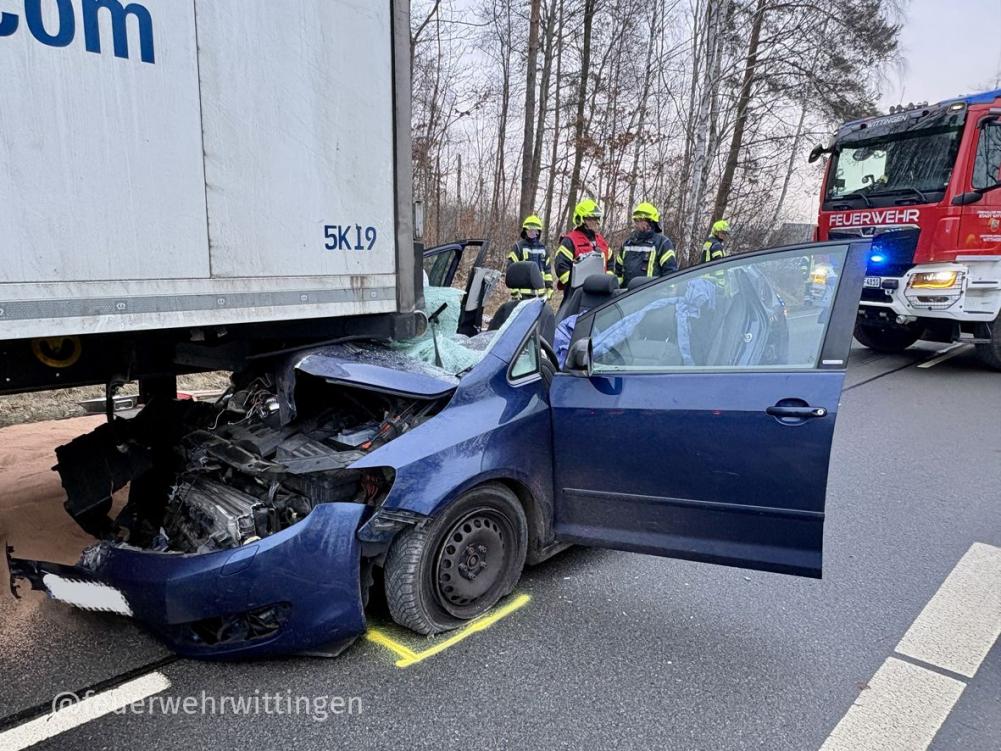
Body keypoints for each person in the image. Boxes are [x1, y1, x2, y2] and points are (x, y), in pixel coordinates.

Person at [554, 199, 614, 292]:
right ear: (580, 220)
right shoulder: (570, 240)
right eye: (591, 219)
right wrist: (575, 286)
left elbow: (610, 261)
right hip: (579, 293)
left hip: (601, 292)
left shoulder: (601, 240)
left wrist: (606, 281)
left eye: (596, 218)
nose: (595, 222)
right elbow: (561, 267)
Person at [614, 202, 677, 286]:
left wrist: (666, 292)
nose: (637, 223)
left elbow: (670, 274)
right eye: (636, 220)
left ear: (650, 222)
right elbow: (618, 272)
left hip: (651, 293)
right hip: (627, 293)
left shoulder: (662, 244)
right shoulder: (627, 243)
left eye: (640, 220)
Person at [506, 215, 553, 299]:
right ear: (525, 231)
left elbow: (547, 270)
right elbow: (511, 268)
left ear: (539, 232)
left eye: (535, 231)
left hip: (540, 294)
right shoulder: (518, 247)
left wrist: (549, 288)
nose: (532, 233)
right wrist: (514, 289)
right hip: (522, 295)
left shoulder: (544, 249)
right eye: (530, 230)